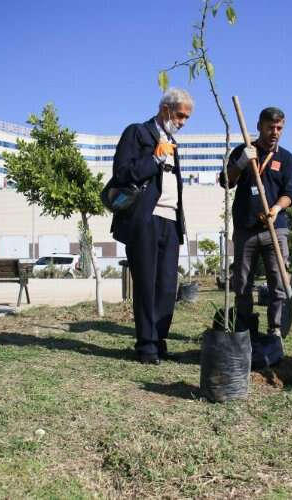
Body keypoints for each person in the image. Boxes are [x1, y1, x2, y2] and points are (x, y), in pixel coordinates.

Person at [110, 88, 193, 365]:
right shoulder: (137, 133)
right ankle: (146, 345)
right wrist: (155, 158)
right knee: (146, 284)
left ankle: (158, 338)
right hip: (145, 219)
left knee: (168, 286)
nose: (183, 121)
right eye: (180, 115)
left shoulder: (172, 141)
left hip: (170, 220)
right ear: (166, 109)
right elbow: (122, 173)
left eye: (187, 118)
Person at [220, 107, 292, 337]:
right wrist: (241, 163)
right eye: (270, 127)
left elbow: (290, 193)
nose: (275, 132)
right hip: (246, 229)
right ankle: (245, 329)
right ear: (259, 126)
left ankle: (275, 330)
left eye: (279, 128)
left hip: (275, 228)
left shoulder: (286, 158)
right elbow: (225, 181)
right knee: (242, 283)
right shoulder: (242, 151)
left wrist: (276, 207)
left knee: (279, 281)